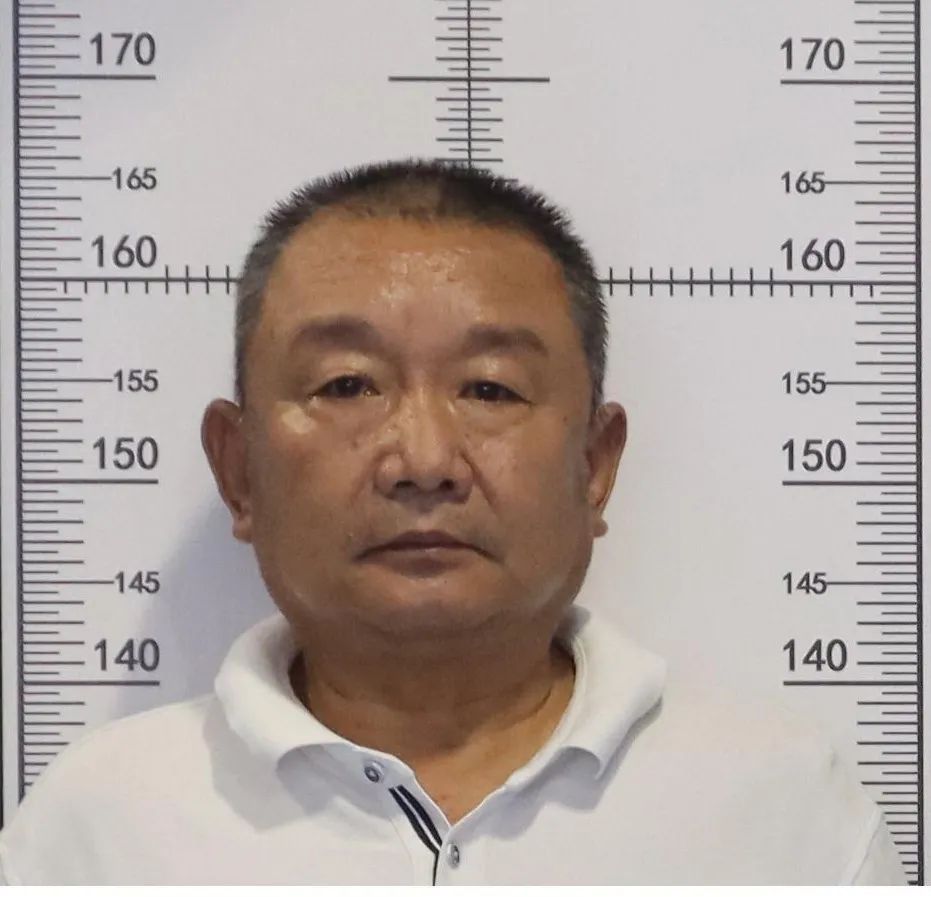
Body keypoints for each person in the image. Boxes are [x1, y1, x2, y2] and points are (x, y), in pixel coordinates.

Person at [0, 158, 910, 885]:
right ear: (239, 470)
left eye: (489, 389)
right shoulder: (100, 826)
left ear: (594, 466)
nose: (424, 459)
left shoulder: (782, 811)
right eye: (347, 385)